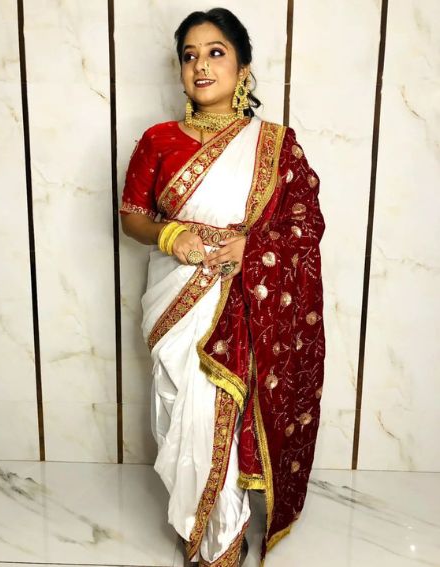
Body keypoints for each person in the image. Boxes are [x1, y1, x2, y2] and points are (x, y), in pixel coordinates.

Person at [119, 8, 326, 567]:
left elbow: (306, 224)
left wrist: (252, 250)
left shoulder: (275, 145)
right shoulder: (158, 140)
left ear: (243, 67)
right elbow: (131, 216)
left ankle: (220, 539)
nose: (201, 66)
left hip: (241, 294)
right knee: (179, 410)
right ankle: (198, 517)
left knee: (218, 407)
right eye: (190, 55)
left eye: (216, 52)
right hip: (176, 296)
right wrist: (171, 237)